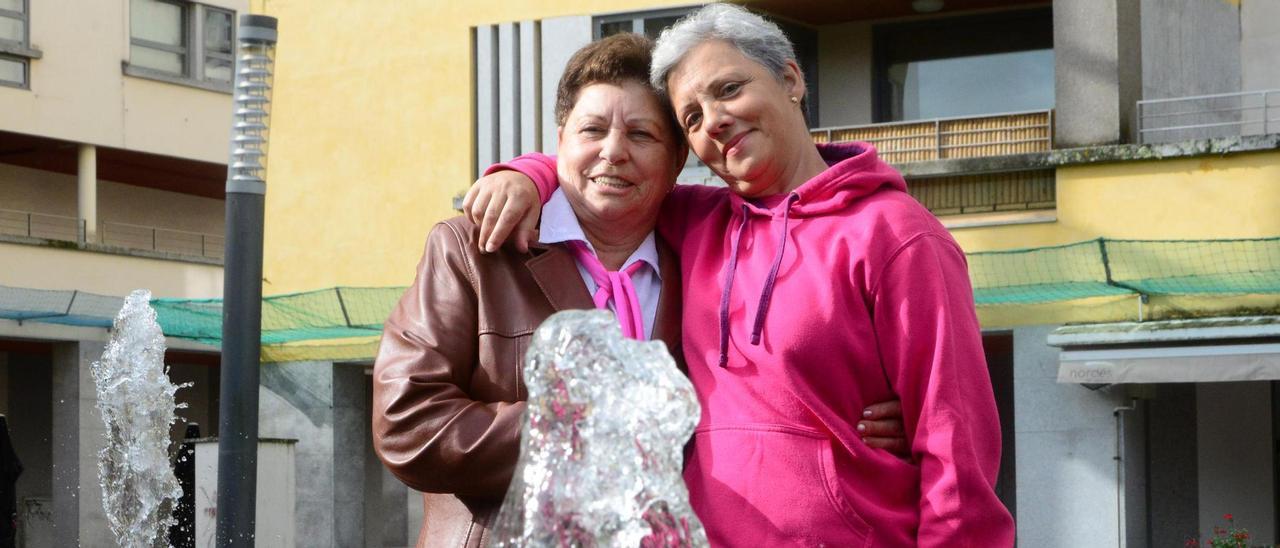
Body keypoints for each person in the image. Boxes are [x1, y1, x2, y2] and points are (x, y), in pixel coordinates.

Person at [466, 5, 1015, 546]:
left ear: (790, 78)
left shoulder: (897, 237)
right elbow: (604, 175)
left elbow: (956, 451)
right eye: (692, 118)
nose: (716, 121)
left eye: (728, 90)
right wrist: (528, 174)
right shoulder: (696, 221)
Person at [373, 33, 908, 548]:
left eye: (641, 134)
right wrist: (591, 430)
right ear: (559, 143)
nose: (613, 152)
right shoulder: (474, 247)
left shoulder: (708, 252)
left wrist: (852, 415)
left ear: (678, 161)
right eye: (592, 130)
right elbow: (408, 424)